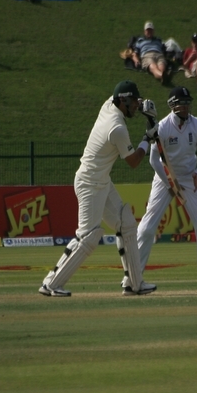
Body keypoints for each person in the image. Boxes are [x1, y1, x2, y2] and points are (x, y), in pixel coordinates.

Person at [39, 81, 158, 298]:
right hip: (90, 184)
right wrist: (147, 138)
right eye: (131, 103)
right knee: (88, 237)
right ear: (122, 101)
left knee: (127, 223)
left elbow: (128, 103)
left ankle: (134, 284)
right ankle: (51, 283)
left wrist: (142, 108)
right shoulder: (117, 128)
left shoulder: (108, 105)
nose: (134, 106)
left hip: (101, 181)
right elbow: (133, 162)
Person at [136, 86, 197, 286]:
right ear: (172, 105)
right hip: (164, 178)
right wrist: (169, 183)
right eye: (182, 103)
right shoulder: (163, 127)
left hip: (188, 178)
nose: (186, 107)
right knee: (147, 228)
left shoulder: (196, 124)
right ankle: (133, 276)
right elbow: (154, 160)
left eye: (187, 103)